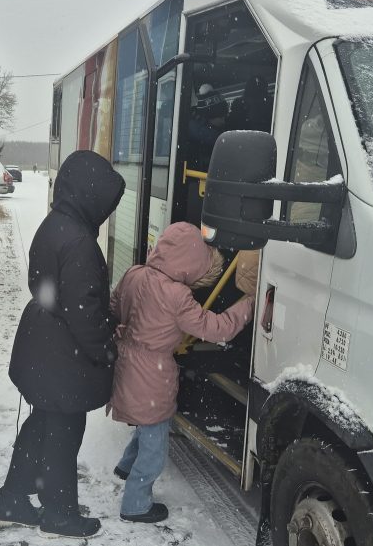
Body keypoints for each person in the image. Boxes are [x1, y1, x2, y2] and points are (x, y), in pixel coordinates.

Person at [0, 150, 125, 539]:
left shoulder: (55, 224)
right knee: (63, 436)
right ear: (89, 194)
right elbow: (84, 313)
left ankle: (14, 499)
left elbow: (52, 290)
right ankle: (59, 512)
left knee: (41, 426)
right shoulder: (80, 242)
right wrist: (106, 348)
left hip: (44, 346)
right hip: (64, 355)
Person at [109, 222, 254, 523]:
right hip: (152, 372)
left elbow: (113, 305)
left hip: (126, 362)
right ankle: (135, 504)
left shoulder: (135, 273)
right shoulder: (177, 296)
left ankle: (125, 465)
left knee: (145, 423)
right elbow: (217, 329)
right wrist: (248, 305)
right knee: (155, 443)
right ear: (192, 265)